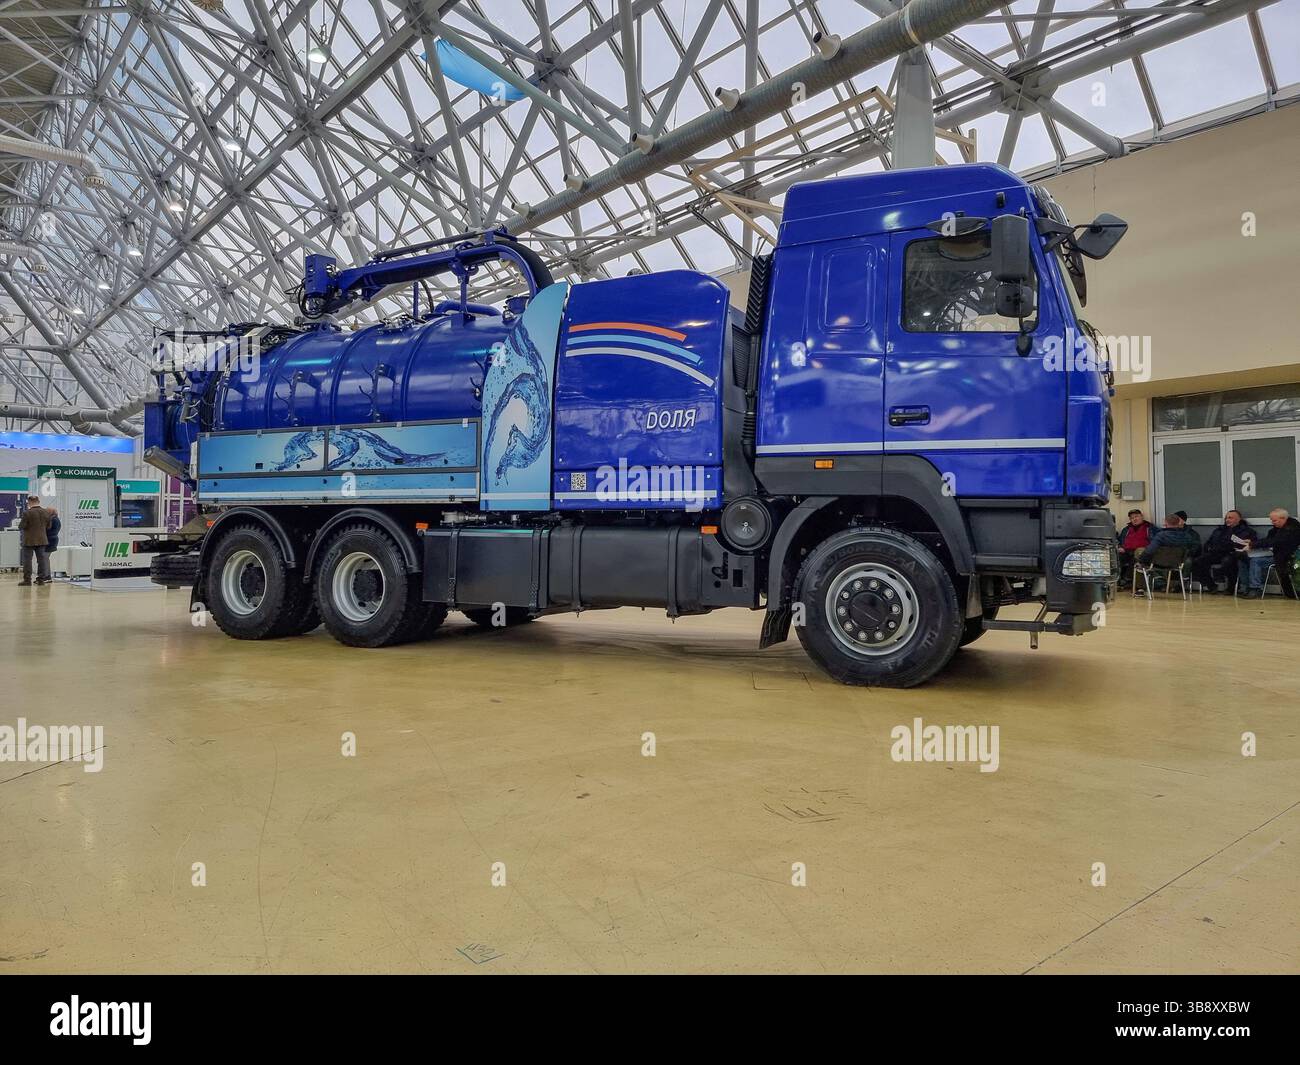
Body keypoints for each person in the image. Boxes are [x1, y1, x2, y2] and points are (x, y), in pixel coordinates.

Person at [1238, 507, 1300, 599]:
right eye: (1271, 520)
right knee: (1242, 558)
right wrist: (1252, 543)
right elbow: (1268, 541)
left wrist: (1253, 545)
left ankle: (1254, 588)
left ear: (1283, 519)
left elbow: (1275, 541)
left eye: (1274, 520)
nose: (1272, 522)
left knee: (1256, 561)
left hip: (1286, 557)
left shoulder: (1292, 529)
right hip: (1275, 553)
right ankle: (1245, 586)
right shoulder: (1276, 529)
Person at [1190, 509, 1253, 593]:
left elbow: (1238, 545)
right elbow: (1209, 541)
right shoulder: (1219, 530)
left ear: (1239, 519)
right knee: (1198, 561)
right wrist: (1208, 547)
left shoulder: (1246, 531)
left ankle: (1232, 586)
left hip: (1232, 554)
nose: (1227, 520)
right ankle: (1211, 585)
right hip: (1216, 553)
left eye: (1230, 518)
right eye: (1226, 518)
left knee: (1227, 561)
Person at [18, 494, 51, 586]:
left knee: (27, 560)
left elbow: (21, 526)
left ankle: (27, 580)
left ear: (29, 503)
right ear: (38, 502)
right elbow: (49, 526)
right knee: (41, 560)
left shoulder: (27, 513)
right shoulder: (46, 512)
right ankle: (41, 580)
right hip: (42, 540)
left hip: (29, 541)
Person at [1116, 509, 1155, 583]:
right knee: (1115, 558)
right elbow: (1119, 540)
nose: (1134, 519)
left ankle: (1127, 579)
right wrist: (1120, 547)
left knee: (1136, 558)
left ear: (1142, 516)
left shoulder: (1150, 528)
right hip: (1126, 551)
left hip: (1141, 551)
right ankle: (1116, 581)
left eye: (1136, 516)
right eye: (1132, 518)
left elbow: (1154, 542)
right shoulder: (1126, 529)